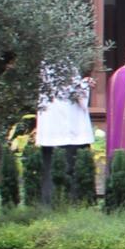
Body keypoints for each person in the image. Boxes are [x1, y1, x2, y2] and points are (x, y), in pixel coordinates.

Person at [34, 62, 95, 206]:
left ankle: (49, 202)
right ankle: (73, 203)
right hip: (69, 130)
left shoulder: (45, 65)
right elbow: (79, 98)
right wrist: (86, 84)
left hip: (50, 129)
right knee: (70, 169)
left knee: (50, 169)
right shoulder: (66, 65)